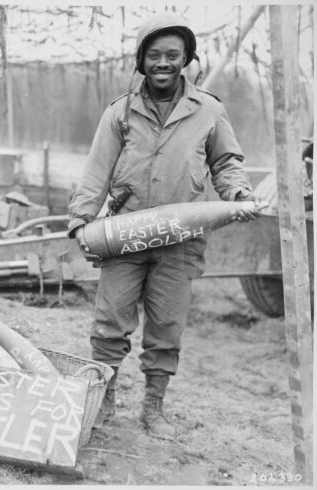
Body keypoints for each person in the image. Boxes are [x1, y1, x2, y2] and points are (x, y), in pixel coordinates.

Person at [67, 13, 263, 440]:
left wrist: (238, 195)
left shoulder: (209, 110)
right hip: (125, 237)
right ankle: (103, 400)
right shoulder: (120, 112)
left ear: (186, 59)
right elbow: (96, 172)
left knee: (167, 329)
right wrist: (82, 220)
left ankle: (153, 407)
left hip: (181, 242)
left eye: (173, 55)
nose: (163, 63)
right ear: (141, 61)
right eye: (154, 55)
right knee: (109, 325)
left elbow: (226, 162)